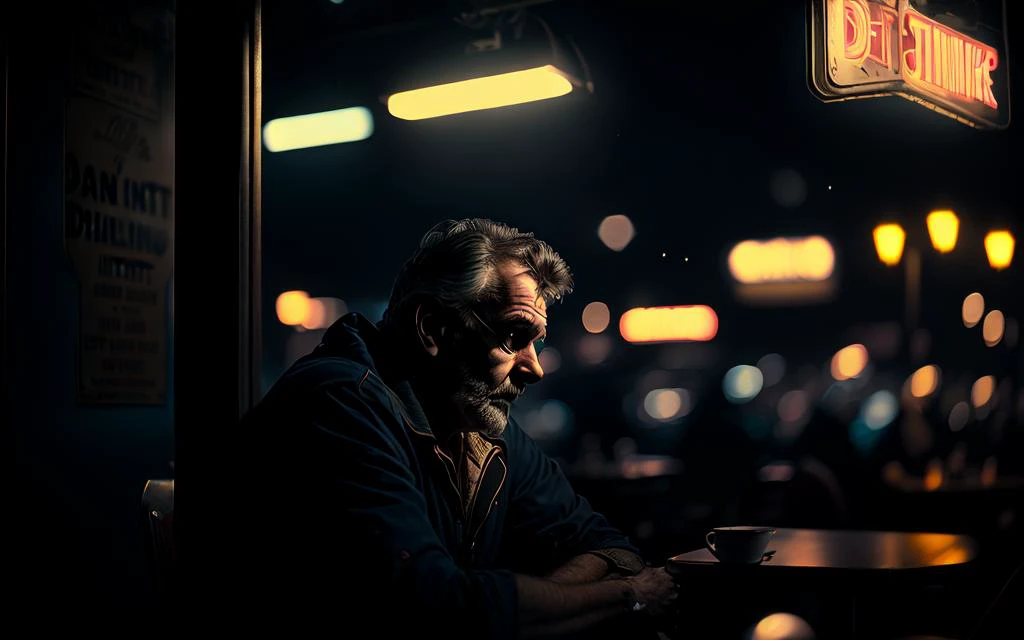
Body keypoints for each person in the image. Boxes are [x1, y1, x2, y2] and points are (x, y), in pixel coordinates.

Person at [229, 219, 678, 638]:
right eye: (513, 338)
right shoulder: (339, 403)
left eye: (537, 344)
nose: (535, 369)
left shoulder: (474, 423)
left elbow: (610, 547)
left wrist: (522, 605)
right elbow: (435, 607)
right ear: (433, 329)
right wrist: (630, 596)